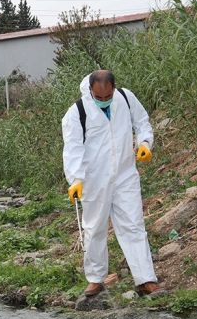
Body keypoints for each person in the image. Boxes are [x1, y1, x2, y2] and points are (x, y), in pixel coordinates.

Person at [61, 70, 163, 298]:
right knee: (95, 227)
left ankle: (145, 279)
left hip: (125, 174)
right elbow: (73, 148)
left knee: (133, 225)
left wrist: (145, 143)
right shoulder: (77, 112)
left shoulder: (126, 98)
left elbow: (142, 122)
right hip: (94, 179)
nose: (104, 100)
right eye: (100, 97)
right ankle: (96, 279)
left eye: (108, 96)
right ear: (90, 90)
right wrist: (76, 179)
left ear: (114, 88)